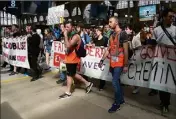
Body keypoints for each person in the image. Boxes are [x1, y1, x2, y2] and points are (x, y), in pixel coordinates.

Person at [99, 17, 129, 113]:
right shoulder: (111, 34)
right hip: (112, 63)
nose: (109, 23)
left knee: (115, 82)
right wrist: (102, 60)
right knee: (117, 82)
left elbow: (126, 50)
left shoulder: (123, 34)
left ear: (116, 22)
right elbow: (108, 49)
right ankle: (121, 100)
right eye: (109, 22)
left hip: (119, 63)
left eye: (111, 22)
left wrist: (125, 65)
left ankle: (117, 103)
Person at [59, 21, 93, 99]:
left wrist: (65, 36)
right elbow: (66, 46)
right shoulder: (70, 35)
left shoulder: (75, 36)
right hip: (69, 58)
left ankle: (68, 92)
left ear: (72, 27)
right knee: (72, 74)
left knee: (69, 75)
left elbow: (68, 45)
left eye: (68, 27)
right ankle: (88, 83)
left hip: (73, 59)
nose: (66, 29)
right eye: (65, 27)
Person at [152, 8, 176, 114]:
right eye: (170, 16)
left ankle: (166, 103)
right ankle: (164, 101)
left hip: (172, 61)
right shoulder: (157, 30)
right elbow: (152, 45)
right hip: (160, 60)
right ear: (164, 17)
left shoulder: (175, 29)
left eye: (173, 17)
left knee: (169, 82)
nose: (172, 18)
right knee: (161, 82)